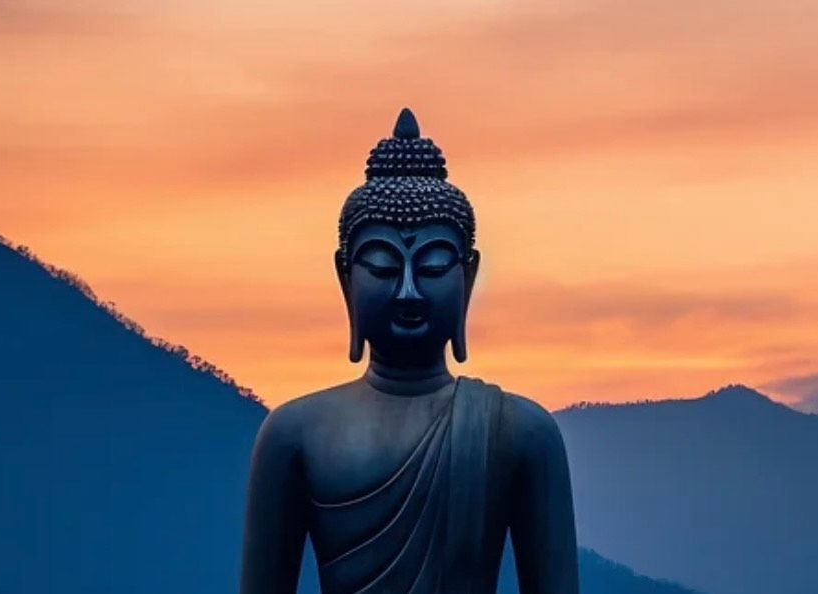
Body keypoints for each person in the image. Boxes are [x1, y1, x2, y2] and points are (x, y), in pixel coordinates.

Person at [239, 108, 579, 594]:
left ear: (469, 275)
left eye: (434, 266)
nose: (408, 292)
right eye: (380, 267)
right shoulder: (293, 435)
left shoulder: (521, 434)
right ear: (344, 277)